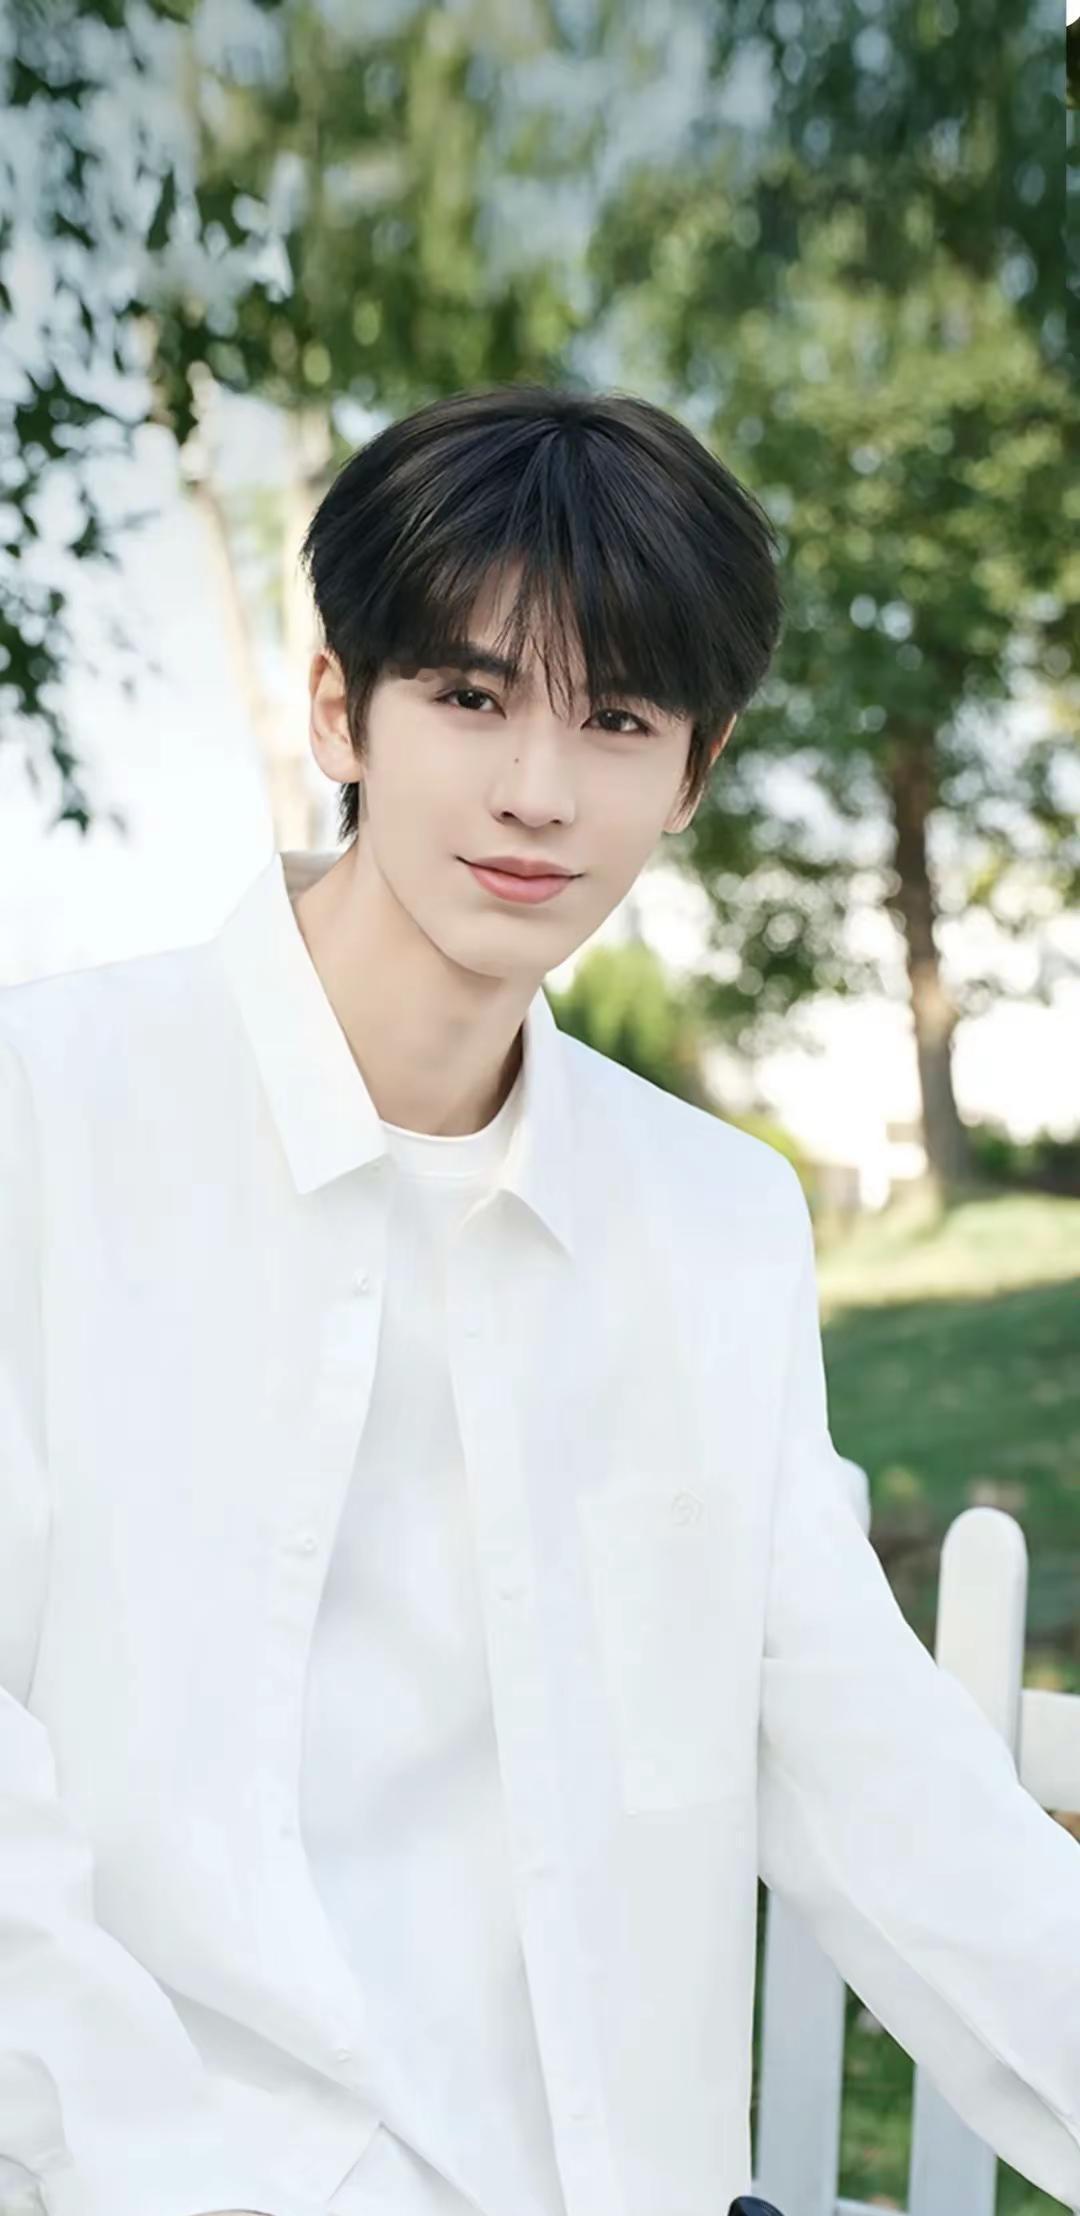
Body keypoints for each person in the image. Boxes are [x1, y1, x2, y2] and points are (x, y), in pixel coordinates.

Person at [1, 383, 1078, 2216]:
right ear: (338, 706)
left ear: (694, 772)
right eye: (471, 695)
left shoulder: (715, 1225)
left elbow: (870, 1764)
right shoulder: (48, 1116)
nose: (538, 789)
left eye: (619, 720)